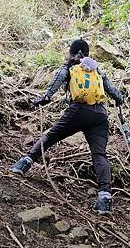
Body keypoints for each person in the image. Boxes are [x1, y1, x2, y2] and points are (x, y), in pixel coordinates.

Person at [11, 39, 124, 214]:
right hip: (100, 116)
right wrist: (119, 99)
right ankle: (104, 197)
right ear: (87, 53)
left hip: (79, 111)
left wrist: (46, 96)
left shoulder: (71, 66)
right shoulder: (96, 70)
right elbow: (113, 92)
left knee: (51, 136)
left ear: (73, 52)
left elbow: (58, 78)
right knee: (99, 154)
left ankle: (23, 164)